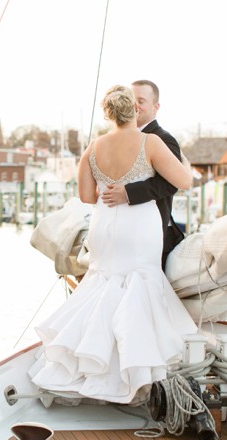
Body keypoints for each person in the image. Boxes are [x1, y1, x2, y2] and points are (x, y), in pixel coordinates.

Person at [28, 84, 197, 404]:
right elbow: (184, 181)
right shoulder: (151, 142)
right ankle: (135, 374)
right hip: (139, 227)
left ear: (108, 113)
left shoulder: (94, 147)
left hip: (106, 226)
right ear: (134, 110)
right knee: (138, 290)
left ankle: (86, 365)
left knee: (101, 287)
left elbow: (87, 196)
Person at [100, 79, 187, 270]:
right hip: (115, 231)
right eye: (131, 99)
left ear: (156, 107)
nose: (135, 105)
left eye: (141, 100)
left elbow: (171, 184)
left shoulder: (163, 139)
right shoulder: (111, 141)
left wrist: (129, 192)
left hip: (149, 233)